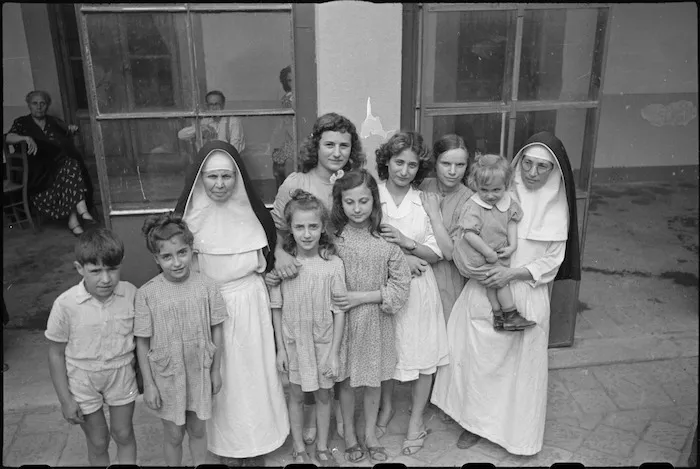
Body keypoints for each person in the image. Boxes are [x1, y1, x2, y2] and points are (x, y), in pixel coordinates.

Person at [431, 131, 581, 455]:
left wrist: (511, 273)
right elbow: (468, 234)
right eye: (527, 163)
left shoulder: (560, 211)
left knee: (518, 372)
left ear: (555, 170)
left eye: (543, 166)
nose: (533, 172)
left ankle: (515, 437)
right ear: (518, 163)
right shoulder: (497, 191)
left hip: (526, 290)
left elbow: (552, 261)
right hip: (484, 284)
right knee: (477, 361)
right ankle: (472, 425)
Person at [175, 140, 289, 467]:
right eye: (212, 177)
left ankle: (258, 444)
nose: (220, 184)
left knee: (254, 377)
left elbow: (270, 251)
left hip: (250, 304)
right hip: (209, 307)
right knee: (220, 379)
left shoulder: (254, 217)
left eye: (227, 176)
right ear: (200, 179)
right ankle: (226, 448)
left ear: (238, 179)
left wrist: (278, 254)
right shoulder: (187, 220)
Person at [271, 112, 365, 443]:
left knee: (336, 350)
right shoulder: (296, 182)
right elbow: (279, 227)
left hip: (340, 273)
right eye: (329, 144)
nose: (336, 152)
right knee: (308, 349)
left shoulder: (347, 183)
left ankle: (343, 421)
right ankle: (309, 416)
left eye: (344, 145)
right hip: (306, 276)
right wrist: (280, 253)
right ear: (316, 145)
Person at [374, 131, 449, 456]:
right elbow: (364, 242)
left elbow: (438, 252)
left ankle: (416, 420)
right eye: (398, 162)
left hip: (420, 290)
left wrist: (408, 243)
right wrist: (403, 259)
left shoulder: (425, 201)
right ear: (386, 162)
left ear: (420, 168)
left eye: (412, 165)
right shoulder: (373, 196)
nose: (404, 170)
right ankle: (386, 408)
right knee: (389, 354)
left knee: (421, 355)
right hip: (386, 285)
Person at [331, 169, 412, 464]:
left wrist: (363, 297)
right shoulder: (334, 240)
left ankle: (370, 435)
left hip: (377, 321)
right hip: (344, 323)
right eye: (349, 202)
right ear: (340, 204)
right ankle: (350, 435)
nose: (356, 209)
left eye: (363, 201)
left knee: (374, 380)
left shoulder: (385, 239)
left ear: (374, 202)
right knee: (349, 381)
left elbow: (401, 284)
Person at [134, 214, 226, 466]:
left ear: (191, 250)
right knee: (174, 434)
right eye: (167, 256)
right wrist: (149, 384)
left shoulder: (207, 287)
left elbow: (217, 328)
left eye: (182, 253)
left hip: (199, 371)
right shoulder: (147, 294)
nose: (176, 262)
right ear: (156, 258)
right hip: (167, 376)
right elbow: (142, 342)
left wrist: (216, 369)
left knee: (197, 430)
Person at [45, 228, 138, 465]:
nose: (105, 279)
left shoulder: (132, 294)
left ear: (121, 264)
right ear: (79, 268)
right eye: (95, 271)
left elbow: (142, 340)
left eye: (112, 269)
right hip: (82, 379)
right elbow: (55, 353)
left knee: (124, 433)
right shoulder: (65, 305)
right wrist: (65, 399)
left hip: (121, 373)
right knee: (98, 441)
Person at [269, 190, 346, 467]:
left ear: (323, 227)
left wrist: (334, 352)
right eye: (299, 227)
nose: (306, 233)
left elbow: (339, 311)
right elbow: (276, 308)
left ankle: (323, 446)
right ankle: (299, 446)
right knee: (297, 395)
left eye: (313, 226)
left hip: (324, 344)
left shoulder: (333, 265)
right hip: (294, 344)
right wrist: (280, 349)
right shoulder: (285, 267)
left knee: (324, 394)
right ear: (290, 229)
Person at [458, 153, 534, 331]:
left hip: (495, 252)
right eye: (484, 190)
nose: (490, 196)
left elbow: (511, 222)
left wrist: (513, 246)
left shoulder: (508, 202)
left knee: (492, 282)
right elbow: (469, 234)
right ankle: (511, 314)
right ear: (475, 185)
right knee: (500, 280)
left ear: (506, 186)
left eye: (496, 190)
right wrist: (488, 252)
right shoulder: (473, 206)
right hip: (477, 253)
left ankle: (498, 316)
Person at [5, 90, 97, 235]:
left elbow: (67, 132)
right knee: (71, 169)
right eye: (35, 103)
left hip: (59, 171)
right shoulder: (22, 122)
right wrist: (26, 138)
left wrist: (71, 129)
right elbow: (8, 137)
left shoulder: (54, 122)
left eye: (43, 103)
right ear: (29, 105)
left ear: (47, 106)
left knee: (70, 167)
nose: (39, 107)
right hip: (38, 176)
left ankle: (75, 220)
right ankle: (82, 215)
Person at [419, 134, 474, 322]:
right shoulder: (422, 186)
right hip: (416, 273)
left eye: (460, 165)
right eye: (446, 164)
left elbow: (450, 252)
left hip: (448, 279)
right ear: (435, 163)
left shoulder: (470, 200)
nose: (453, 171)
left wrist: (435, 215)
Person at [177, 91, 246, 153]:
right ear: (207, 106)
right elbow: (181, 135)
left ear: (223, 105)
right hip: (207, 160)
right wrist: (199, 129)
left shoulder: (233, 121)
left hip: (227, 161)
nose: (214, 108)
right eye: (211, 104)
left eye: (216, 104)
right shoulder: (204, 121)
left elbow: (235, 149)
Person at [271, 65, 295, 189]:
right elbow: (287, 123)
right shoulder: (288, 98)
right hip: (290, 135)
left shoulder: (300, 96)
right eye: (289, 80)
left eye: (294, 79)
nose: (292, 83)